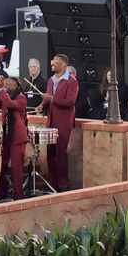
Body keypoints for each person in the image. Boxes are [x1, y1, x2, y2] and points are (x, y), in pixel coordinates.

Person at [45, 54, 79, 189]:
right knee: (50, 152)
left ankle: (63, 184)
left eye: (56, 61)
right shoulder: (51, 80)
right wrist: (42, 105)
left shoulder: (72, 81)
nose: (52, 63)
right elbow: (48, 99)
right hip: (51, 120)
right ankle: (53, 183)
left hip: (64, 122)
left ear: (64, 65)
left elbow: (70, 102)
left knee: (60, 153)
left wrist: (52, 99)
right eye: (52, 60)